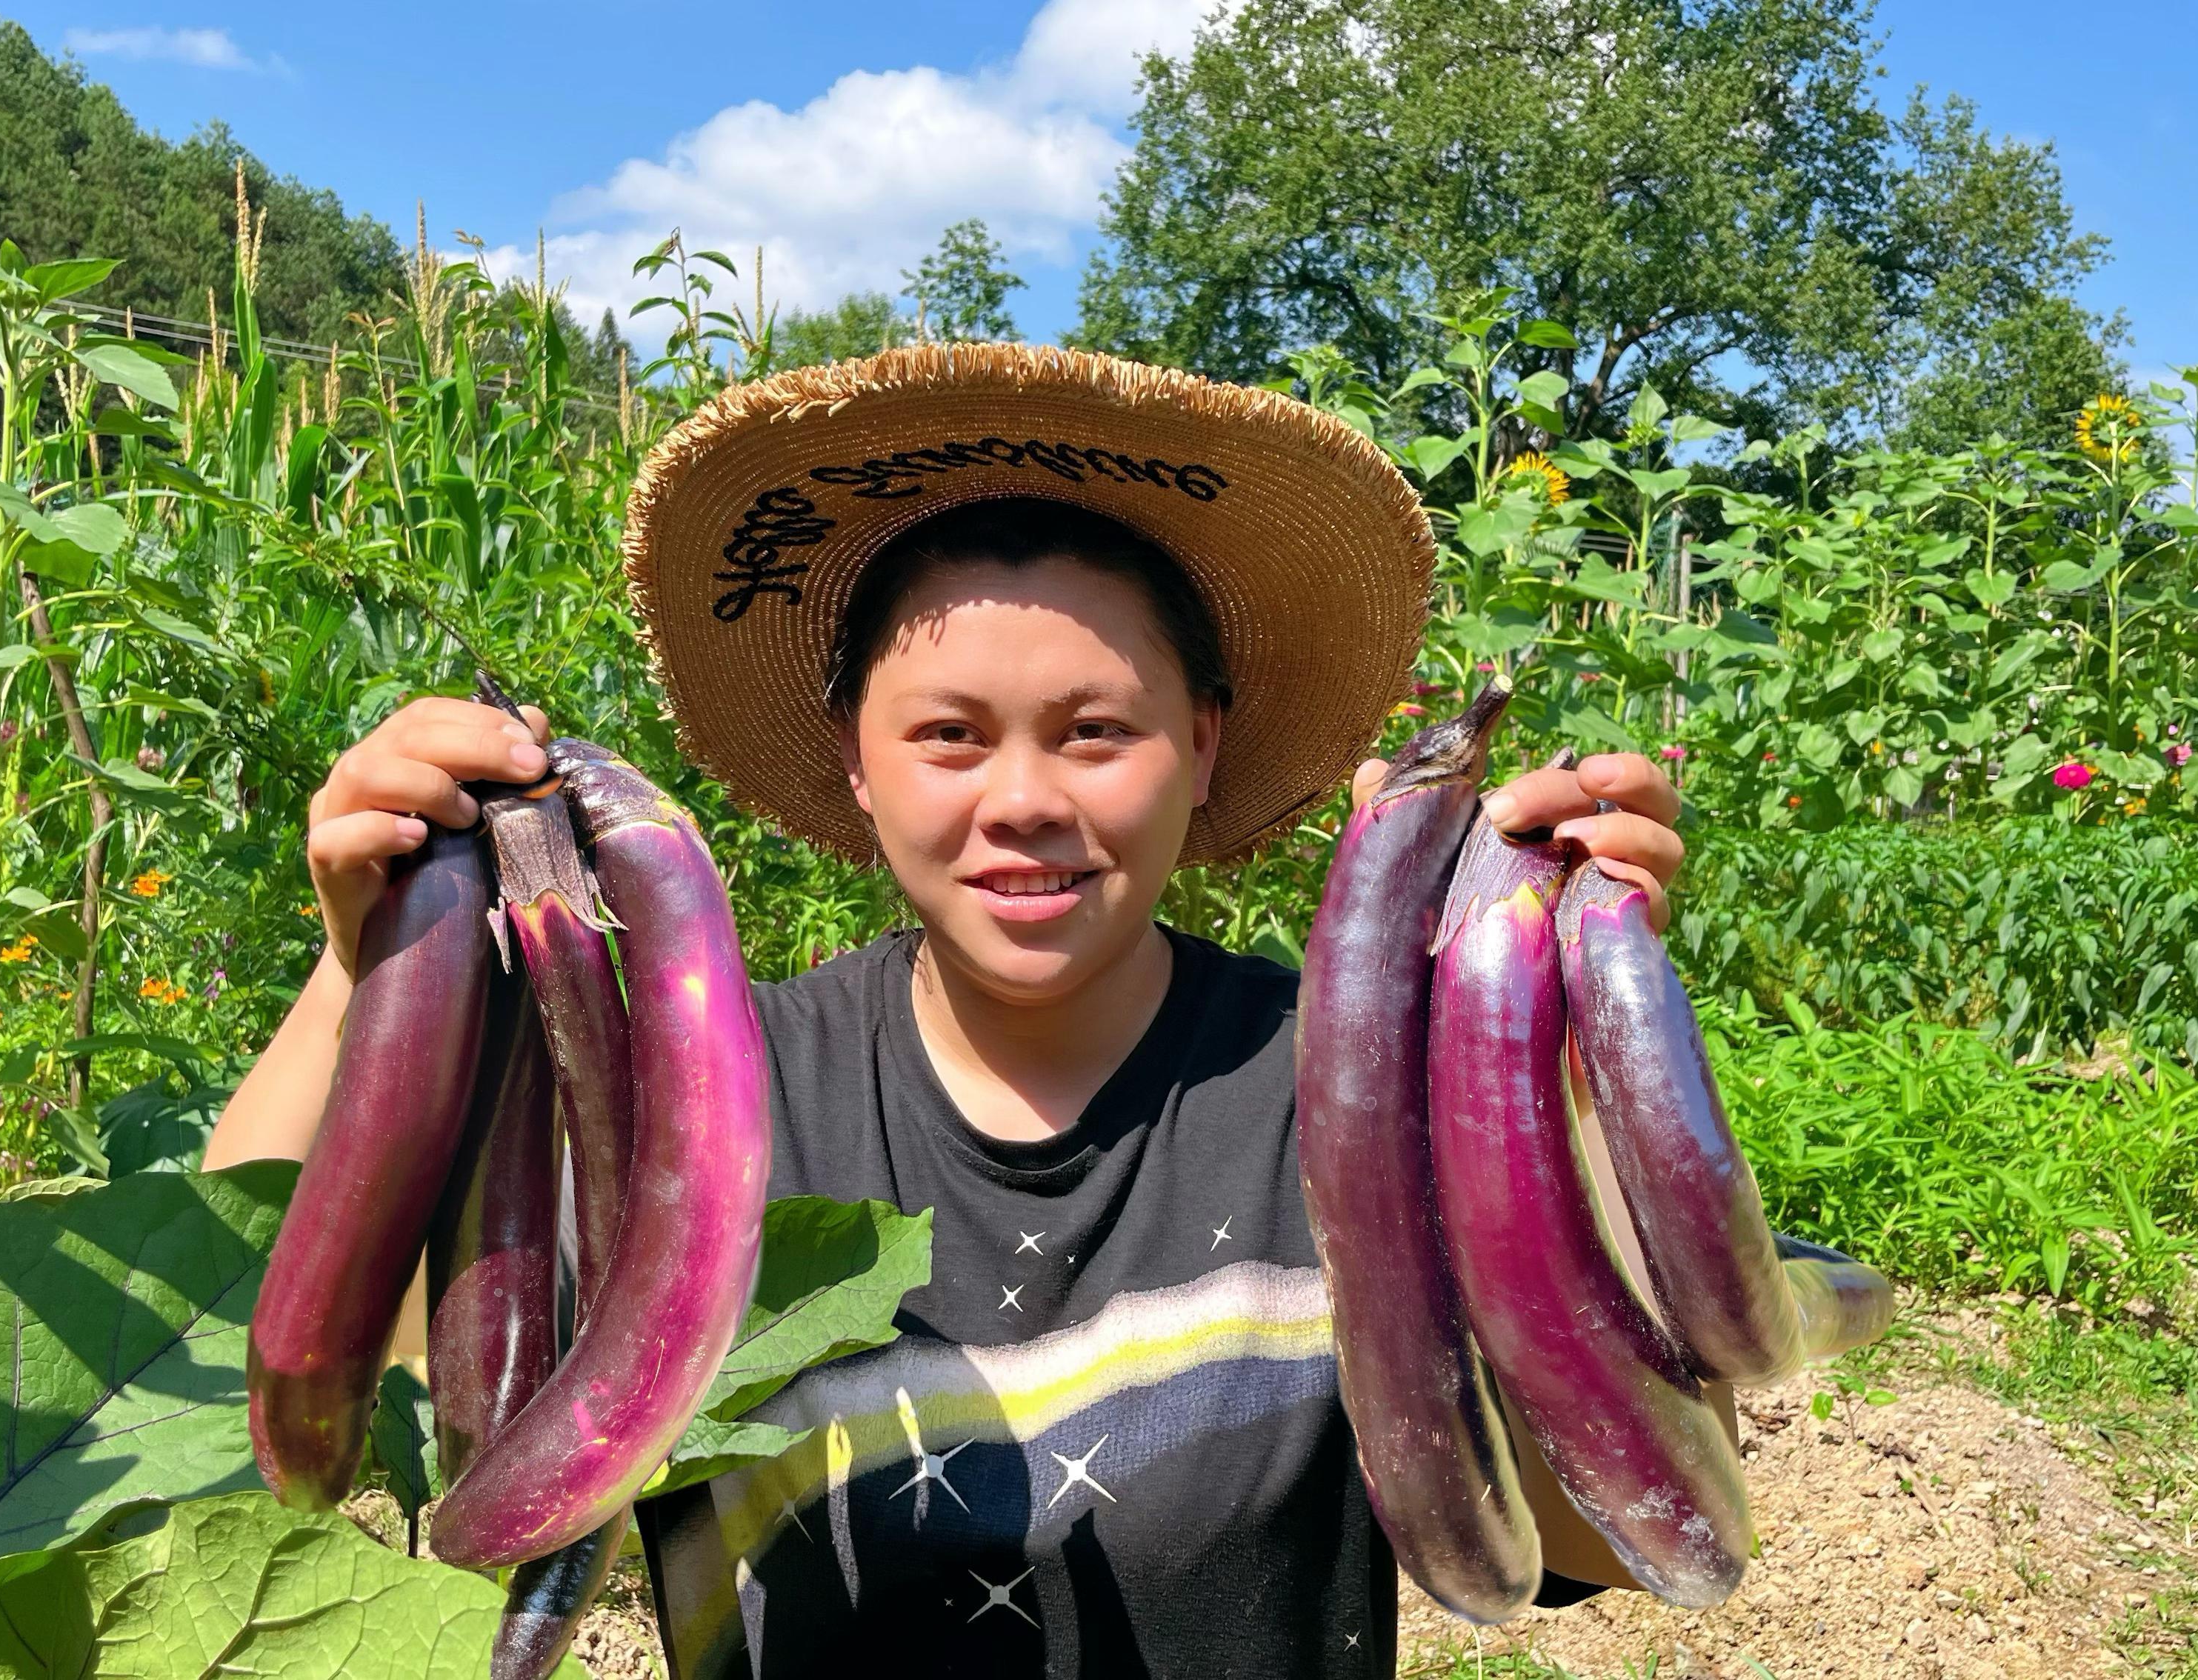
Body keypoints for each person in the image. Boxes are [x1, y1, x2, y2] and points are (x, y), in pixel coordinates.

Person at [207, 344, 1696, 1679]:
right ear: (857, 766)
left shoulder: (1339, 1098)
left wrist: (1533, 1057)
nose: (1024, 802)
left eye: (1096, 733)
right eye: (947, 737)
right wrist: (368, 966)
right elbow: (252, 1380)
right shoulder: (703, 1109)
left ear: (1200, 745)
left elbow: (1593, 1536)